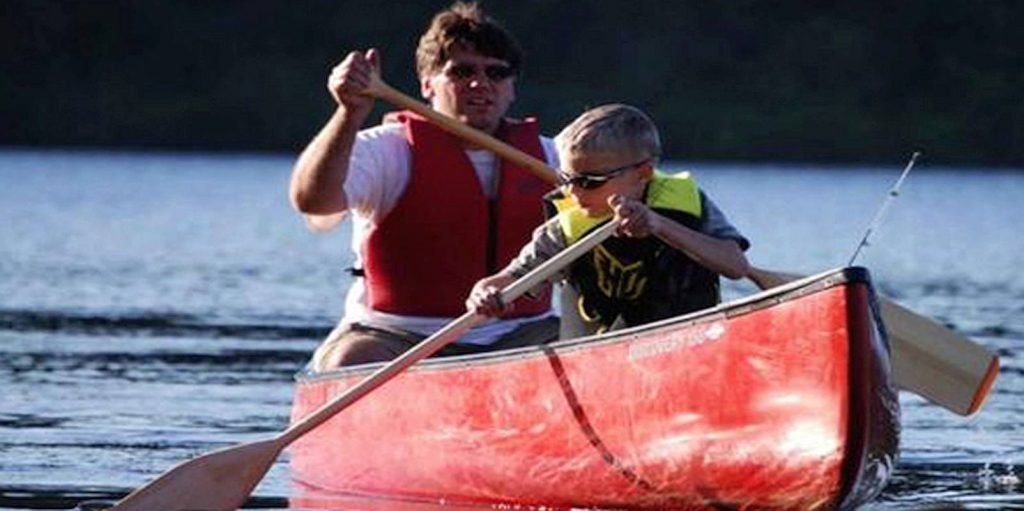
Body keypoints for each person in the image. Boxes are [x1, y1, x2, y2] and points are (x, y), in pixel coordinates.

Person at [289, 2, 560, 371]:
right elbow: (313, 202)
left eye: (496, 73)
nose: (480, 83)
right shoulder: (385, 149)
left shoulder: (553, 157)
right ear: (427, 84)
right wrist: (349, 114)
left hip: (523, 334)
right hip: (395, 338)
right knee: (351, 360)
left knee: (597, 343)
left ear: (511, 88)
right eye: (461, 71)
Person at [467, 104, 751, 334]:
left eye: (591, 181)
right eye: (567, 179)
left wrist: (659, 225)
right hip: (600, 359)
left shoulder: (687, 204)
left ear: (644, 173)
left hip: (689, 342)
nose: (574, 192)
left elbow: (736, 265)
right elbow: (507, 280)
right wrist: (485, 292)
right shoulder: (565, 229)